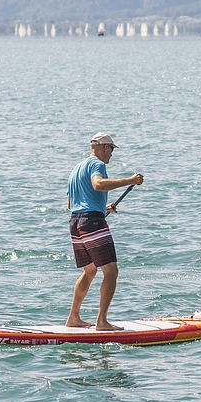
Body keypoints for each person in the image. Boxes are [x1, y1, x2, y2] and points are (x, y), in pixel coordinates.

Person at [65, 132, 144, 330]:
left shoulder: (76, 168)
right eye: (111, 150)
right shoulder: (97, 165)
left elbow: (71, 203)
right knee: (111, 272)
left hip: (76, 222)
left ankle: (73, 318)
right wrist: (130, 180)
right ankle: (102, 322)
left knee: (90, 270)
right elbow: (98, 184)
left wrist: (102, 207)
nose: (111, 155)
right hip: (92, 223)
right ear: (105, 148)